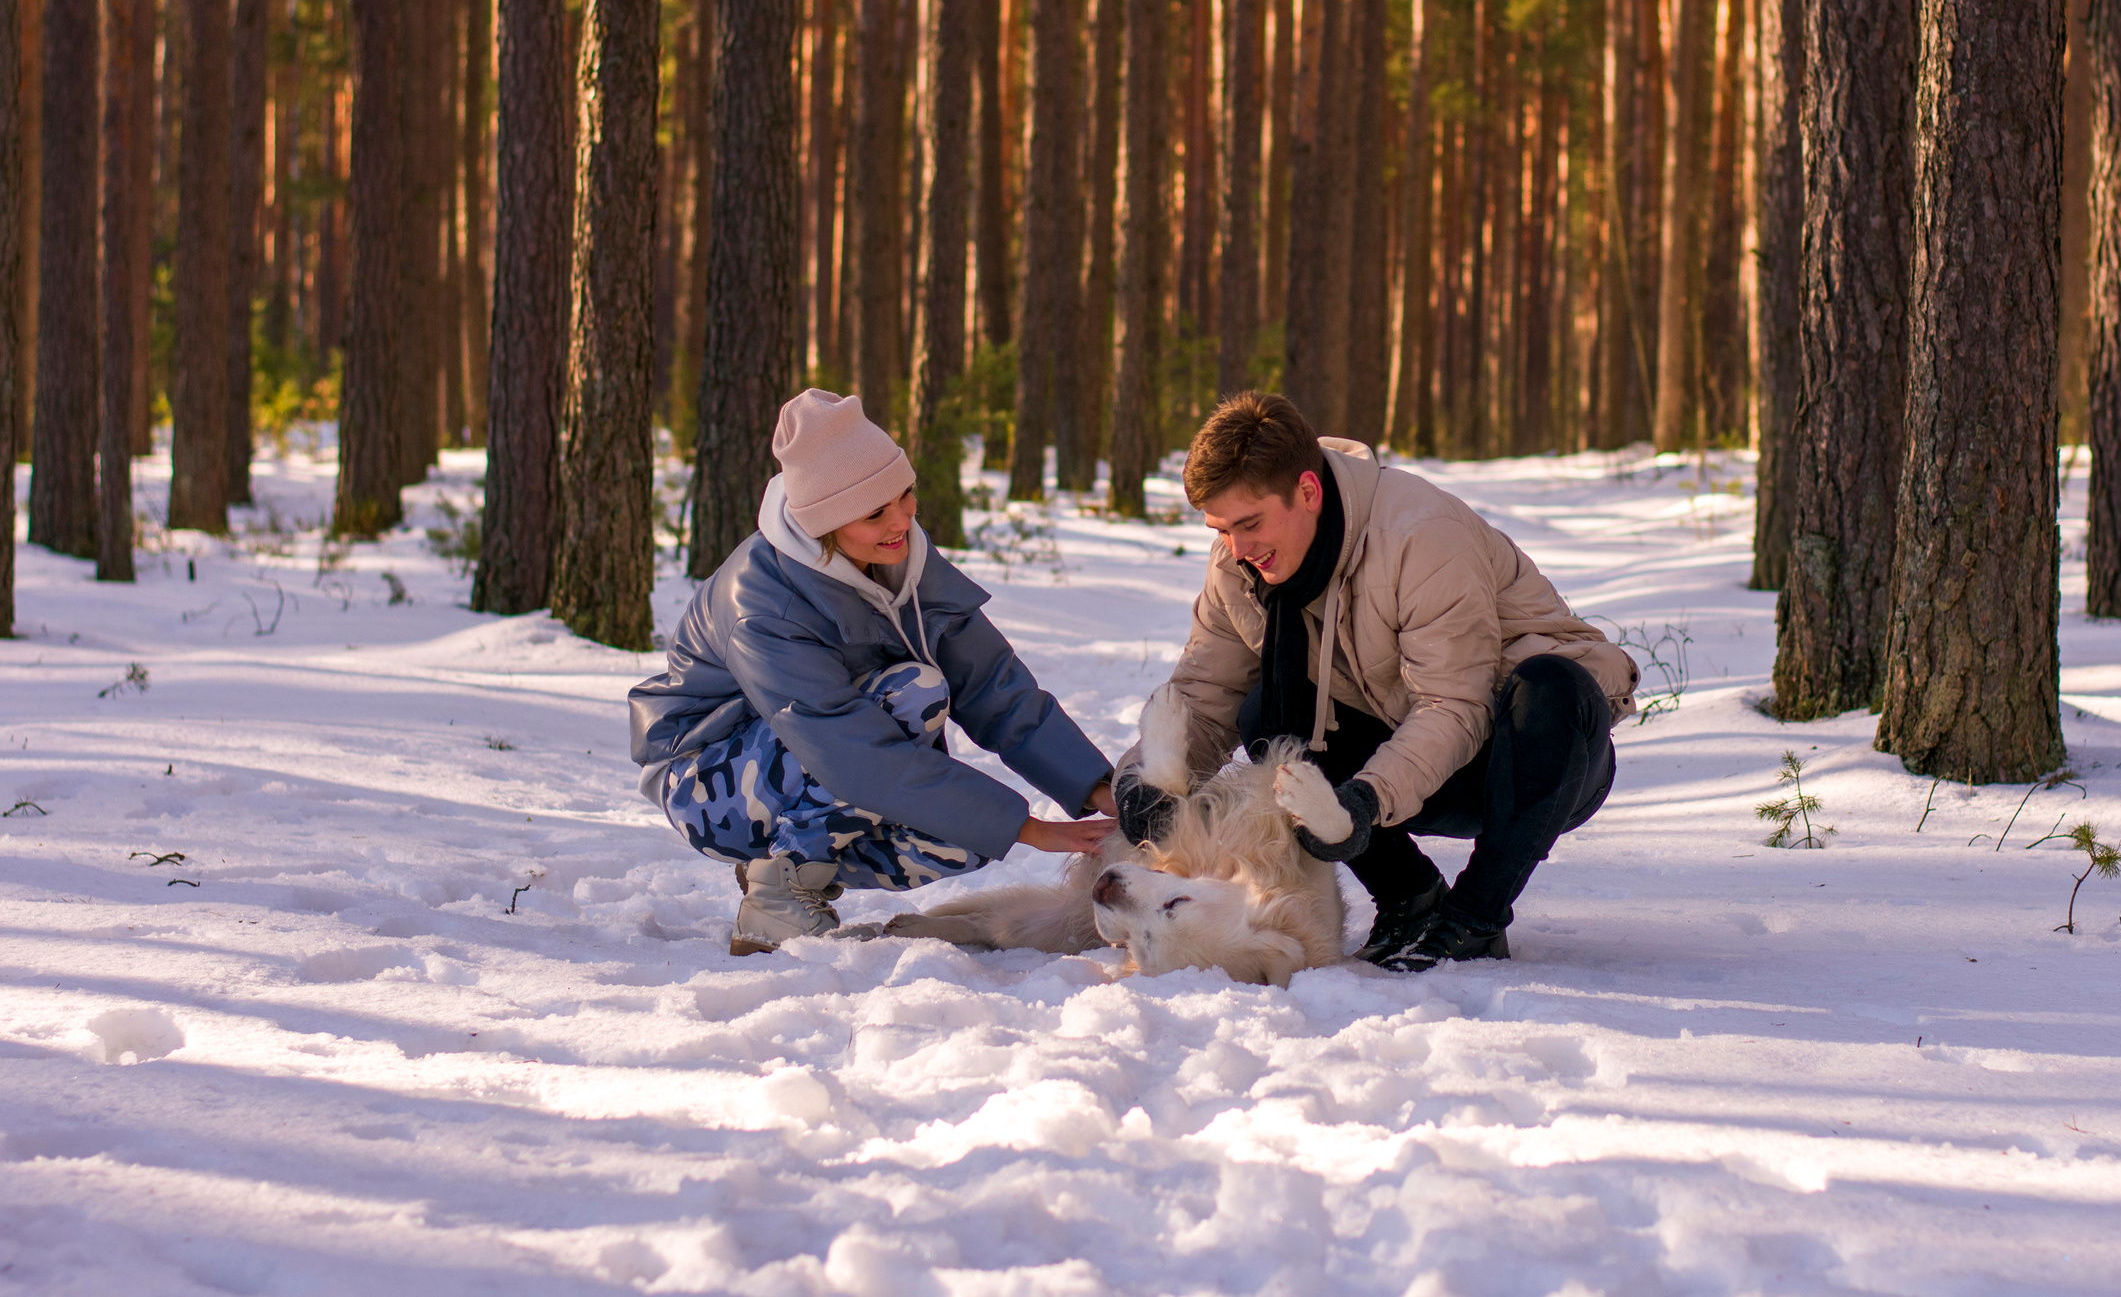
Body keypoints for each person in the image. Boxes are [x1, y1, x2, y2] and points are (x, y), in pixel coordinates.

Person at [1117, 392, 1636, 971]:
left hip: (1536, 758)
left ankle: (1476, 919)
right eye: (1220, 528)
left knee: (1549, 687)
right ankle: (1409, 902)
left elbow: (1455, 707)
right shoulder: (1238, 566)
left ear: (1308, 492)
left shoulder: (1419, 536)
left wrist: (1360, 805)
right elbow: (1204, 697)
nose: (1237, 549)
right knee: (1269, 709)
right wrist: (1142, 784)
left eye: (1250, 523)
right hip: (1405, 741)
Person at [630, 390, 1118, 955]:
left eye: (905, 494)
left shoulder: (900, 556)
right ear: (824, 522)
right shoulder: (762, 600)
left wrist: (1095, 787)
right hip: (705, 780)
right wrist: (1028, 829)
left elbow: (993, 685)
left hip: (812, 759)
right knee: (916, 697)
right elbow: (845, 746)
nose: (902, 519)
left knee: (965, 838)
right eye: (875, 512)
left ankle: (784, 862)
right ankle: (778, 898)